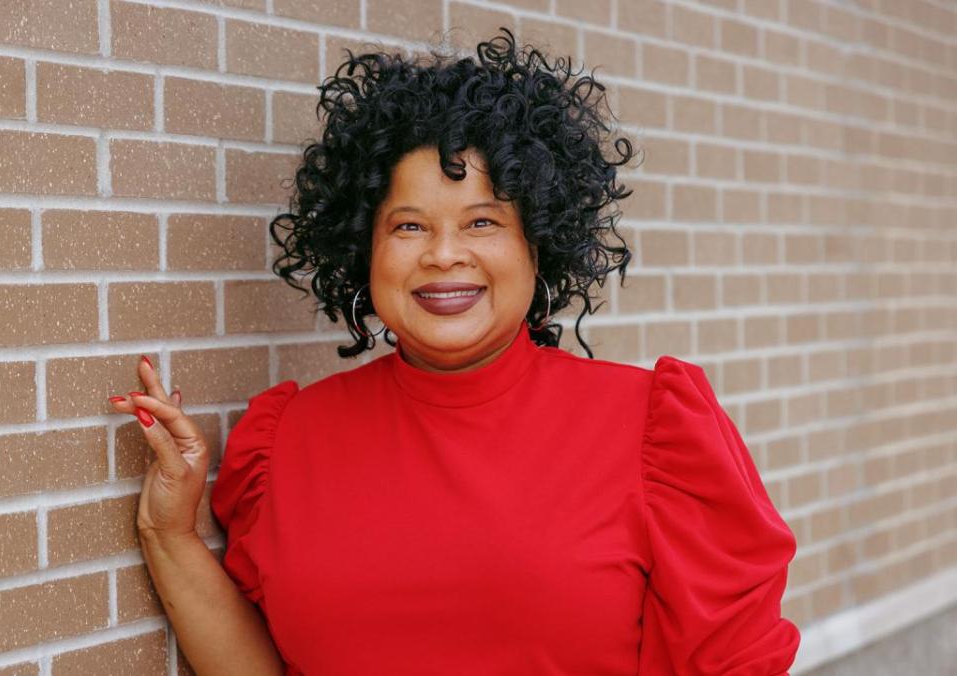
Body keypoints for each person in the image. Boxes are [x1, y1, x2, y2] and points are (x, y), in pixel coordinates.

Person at [109, 27, 800, 675]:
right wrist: (169, 531)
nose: (444, 255)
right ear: (366, 247)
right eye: (408, 224)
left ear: (538, 244)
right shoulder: (286, 441)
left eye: (482, 222)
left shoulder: (654, 431)